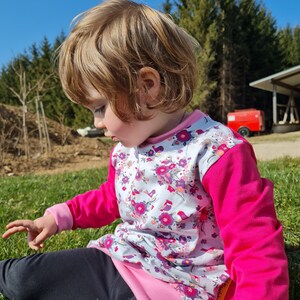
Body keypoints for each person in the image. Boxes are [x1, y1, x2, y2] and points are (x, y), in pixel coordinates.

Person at [0, 0, 289, 299]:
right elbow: (111, 197)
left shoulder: (216, 151)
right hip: (120, 260)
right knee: (22, 278)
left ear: (147, 86)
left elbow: (255, 244)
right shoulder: (128, 149)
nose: (96, 122)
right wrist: (58, 217)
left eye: (100, 107)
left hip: (179, 284)